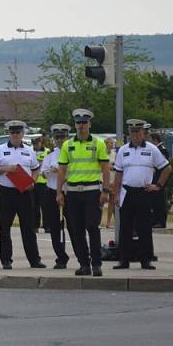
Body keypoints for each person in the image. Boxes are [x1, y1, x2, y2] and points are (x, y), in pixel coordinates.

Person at [55, 109, 110, 277]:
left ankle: (97, 264)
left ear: (89, 124)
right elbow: (62, 171)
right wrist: (59, 193)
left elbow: (106, 169)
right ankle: (84, 264)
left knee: (92, 228)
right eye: (78, 123)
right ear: (75, 125)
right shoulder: (67, 145)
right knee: (77, 230)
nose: (81, 126)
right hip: (73, 192)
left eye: (84, 123)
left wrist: (105, 191)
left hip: (92, 191)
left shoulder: (98, 143)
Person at [111, 119, 172, 270]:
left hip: (144, 193)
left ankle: (146, 259)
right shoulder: (123, 150)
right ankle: (124, 260)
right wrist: (116, 194)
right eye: (133, 132)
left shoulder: (152, 149)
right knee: (125, 228)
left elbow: (166, 168)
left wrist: (158, 185)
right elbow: (118, 174)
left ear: (143, 133)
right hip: (127, 193)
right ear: (129, 134)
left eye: (138, 132)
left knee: (144, 227)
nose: (136, 135)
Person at [0, 120, 44, 269]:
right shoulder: (0, 149)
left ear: (23, 134)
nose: (15, 135)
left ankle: (34, 260)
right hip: (6, 192)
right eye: (12, 132)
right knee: (5, 227)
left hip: (24, 193)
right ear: (9, 134)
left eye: (18, 132)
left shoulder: (29, 150)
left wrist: (33, 181)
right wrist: (6, 169)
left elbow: (36, 168)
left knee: (28, 227)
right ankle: (6, 260)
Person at [40, 124, 73, 269]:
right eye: (57, 137)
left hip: (69, 192)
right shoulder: (50, 155)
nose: (60, 140)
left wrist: (61, 171)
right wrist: (53, 170)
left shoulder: (73, 153)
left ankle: (81, 256)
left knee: (73, 226)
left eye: (63, 137)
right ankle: (60, 257)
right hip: (52, 191)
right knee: (54, 227)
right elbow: (43, 172)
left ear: (68, 137)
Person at [149, 130, 170, 229]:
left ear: (155, 140)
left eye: (151, 140)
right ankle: (154, 220)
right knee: (154, 202)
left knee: (160, 203)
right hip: (154, 180)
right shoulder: (156, 149)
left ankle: (161, 222)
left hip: (160, 180)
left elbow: (163, 166)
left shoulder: (162, 150)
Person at [32, 136, 50, 233]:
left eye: (37, 143)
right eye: (34, 143)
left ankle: (47, 226)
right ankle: (35, 226)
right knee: (34, 206)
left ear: (41, 142)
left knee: (45, 206)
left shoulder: (47, 152)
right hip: (33, 183)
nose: (35, 145)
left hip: (44, 183)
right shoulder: (30, 152)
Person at [104, 137, 117, 229]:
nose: (112, 145)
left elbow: (117, 166)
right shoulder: (102, 153)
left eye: (113, 143)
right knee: (101, 201)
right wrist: (108, 167)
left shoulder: (114, 154)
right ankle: (97, 221)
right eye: (110, 143)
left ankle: (109, 222)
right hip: (103, 179)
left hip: (112, 179)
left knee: (112, 202)